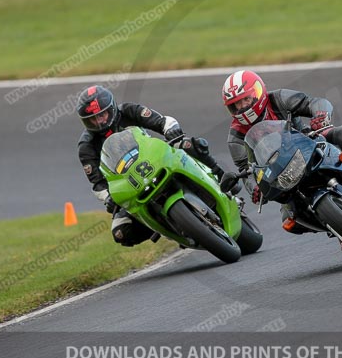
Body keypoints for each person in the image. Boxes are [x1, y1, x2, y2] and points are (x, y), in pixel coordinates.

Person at [219, 70, 342, 244]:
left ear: (258, 92)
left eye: (246, 100)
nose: (242, 107)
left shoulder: (277, 99)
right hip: (281, 172)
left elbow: (314, 103)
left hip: (308, 143)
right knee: (290, 221)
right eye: (236, 104)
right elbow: (247, 169)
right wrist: (254, 188)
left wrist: (320, 114)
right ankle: (339, 227)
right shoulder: (235, 137)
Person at [76, 85, 228, 247]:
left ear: (111, 108)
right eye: (94, 119)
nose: (100, 121)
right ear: (87, 121)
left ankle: (222, 177)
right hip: (129, 183)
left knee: (189, 145)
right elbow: (97, 184)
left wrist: (170, 129)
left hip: (155, 159)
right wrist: (108, 197)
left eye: (103, 115)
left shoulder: (128, 111)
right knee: (121, 232)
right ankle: (166, 226)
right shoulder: (87, 146)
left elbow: (161, 121)